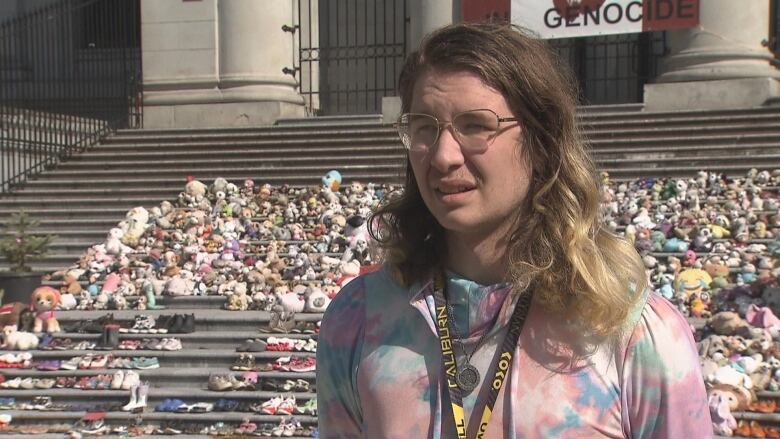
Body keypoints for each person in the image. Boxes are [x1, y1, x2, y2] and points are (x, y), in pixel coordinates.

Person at [317, 22, 711, 438]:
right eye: (424, 128)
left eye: (475, 125)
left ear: (542, 143)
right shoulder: (358, 321)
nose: (443, 156)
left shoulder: (629, 331)